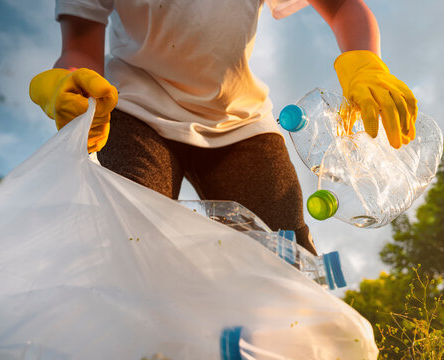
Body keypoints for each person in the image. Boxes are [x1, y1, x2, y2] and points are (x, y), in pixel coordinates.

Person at [29, 0, 417, 256]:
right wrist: (68, 82)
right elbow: (80, 48)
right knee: (129, 247)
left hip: (241, 122)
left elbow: (341, 6)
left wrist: (366, 63)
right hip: (135, 109)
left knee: (287, 262)